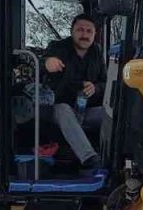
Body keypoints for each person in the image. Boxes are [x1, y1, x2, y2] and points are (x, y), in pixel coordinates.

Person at [42, 14, 106, 169]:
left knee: (112, 113)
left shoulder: (97, 53)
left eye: (89, 31)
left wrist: (95, 88)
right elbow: (36, 66)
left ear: (94, 34)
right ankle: (90, 158)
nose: (84, 35)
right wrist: (46, 63)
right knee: (63, 109)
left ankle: (121, 158)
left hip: (85, 111)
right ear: (71, 32)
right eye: (80, 30)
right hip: (58, 109)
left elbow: (105, 82)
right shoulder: (57, 47)